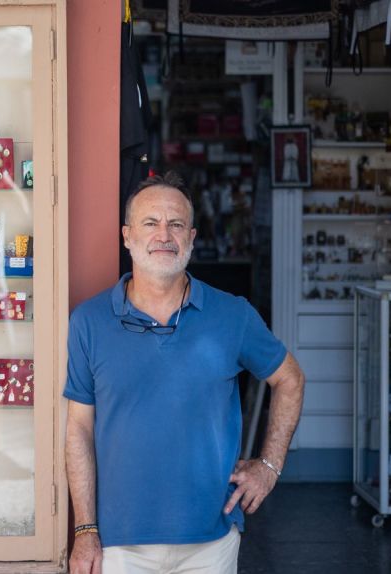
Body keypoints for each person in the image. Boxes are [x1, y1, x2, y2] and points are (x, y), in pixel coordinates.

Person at [64, 172, 304, 574]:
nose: (164, 235)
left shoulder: (233, 314)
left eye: (176, 224)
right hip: (120, 544)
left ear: (191, 237)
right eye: (150, 223)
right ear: (127, 236)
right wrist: (85, 528)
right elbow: (78, 430)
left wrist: (269, 466)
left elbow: (290, 379)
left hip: (211, 542)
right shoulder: (89, 321)